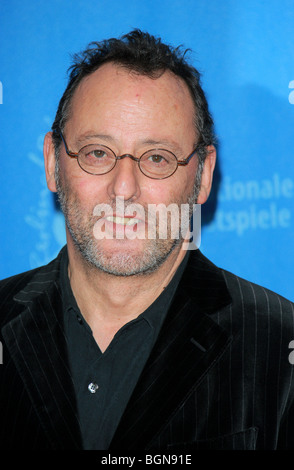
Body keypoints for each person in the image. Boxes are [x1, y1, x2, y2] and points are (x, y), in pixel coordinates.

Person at [0, 29, 293, 451]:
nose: (123, 188)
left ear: (203, 175)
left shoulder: (279, 353)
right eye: (97, 152)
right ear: (52, 163)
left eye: (157, 158)